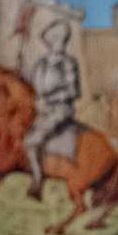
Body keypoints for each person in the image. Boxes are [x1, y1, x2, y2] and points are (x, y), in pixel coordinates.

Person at [24, 19, 81, 198]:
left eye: (56, 39)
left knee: (31, 141)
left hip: (60, 110)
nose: (54, 43)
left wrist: (48, 100)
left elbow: (73, 91)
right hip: (40, 107)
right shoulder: (41, 63)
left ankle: (38, 180)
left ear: (62, 40)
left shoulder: (68, 63)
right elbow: (32, 86)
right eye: (52, 39)